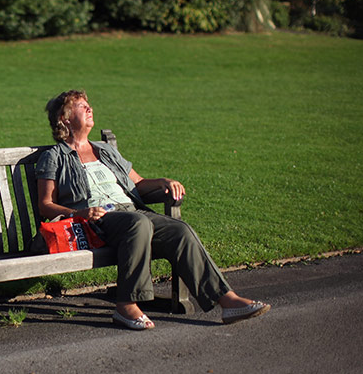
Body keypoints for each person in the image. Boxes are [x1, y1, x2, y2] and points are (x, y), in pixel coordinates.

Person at [36, 90, 270, 329]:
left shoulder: (105, 151)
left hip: (132, 214)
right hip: (97, 221)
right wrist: (80, 212)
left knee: (180, 231)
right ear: (64, 119)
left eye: (88, 104)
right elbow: (45, 205)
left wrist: (162, 182)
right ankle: (126, 306)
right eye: (80, 105)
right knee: (139, 224)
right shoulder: (55, 156)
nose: (89, 108)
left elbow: (137, 183)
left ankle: (227, 301)